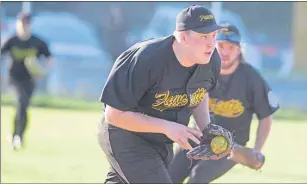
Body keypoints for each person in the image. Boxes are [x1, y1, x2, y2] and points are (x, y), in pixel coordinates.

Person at [98, 5, 225, 183]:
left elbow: (200, 92)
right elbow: (114, 115)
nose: (211, 43)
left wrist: (206, 129)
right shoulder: (147, 59)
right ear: (182, 37)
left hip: (161, 142)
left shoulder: (210, 60)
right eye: (203, 36)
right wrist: (168, 127)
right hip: (125, 136)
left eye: (213, 35)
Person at [167, 24, 280, 184]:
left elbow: (265, 116)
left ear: (239, 50)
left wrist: (256, 150)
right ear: (213, 46)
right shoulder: (203, 71)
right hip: (199, 136)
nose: (225, 52)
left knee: (199, 176)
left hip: (231, 145)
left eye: (231, 47)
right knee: (169, 175)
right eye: (221, 46)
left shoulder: (251, 78)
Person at [1, 12, 53, 150]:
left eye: (26, 24)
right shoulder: (12, 40)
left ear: (30, 25)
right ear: (18, 24)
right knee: (21, 101)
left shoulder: (37, 42)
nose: (24, 27)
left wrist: (43, 70)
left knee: (24, 107)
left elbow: (49, 58)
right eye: (21, 24)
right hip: (14, 78)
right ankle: (16, 136)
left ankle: (19, 136)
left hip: (29, 80)